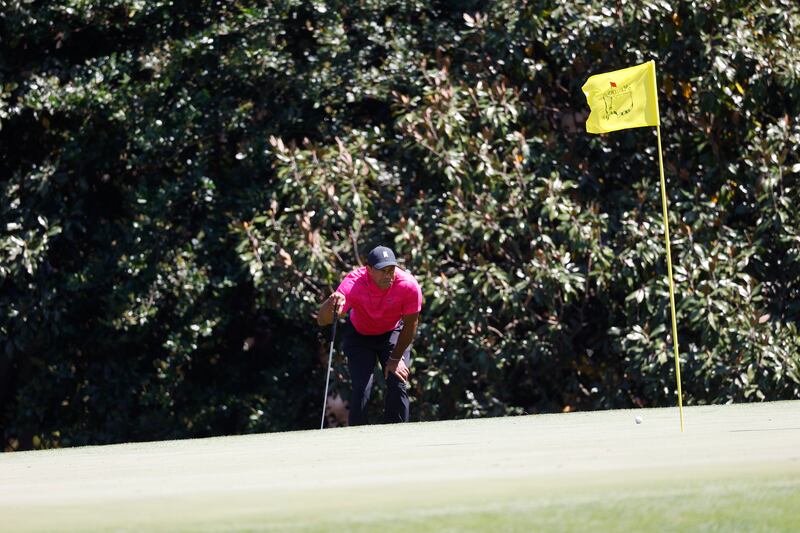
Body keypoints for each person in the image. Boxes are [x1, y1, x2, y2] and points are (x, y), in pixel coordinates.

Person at [317, 245, 422, 425]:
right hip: (360, 336)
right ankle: (358, 438)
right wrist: (331, 303)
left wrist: (396, 358)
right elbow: (323, 320)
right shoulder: (354, 283)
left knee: (398, 382)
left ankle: (398, 435)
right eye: (382, 271)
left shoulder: (408, 285)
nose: (388, 275)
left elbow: (411, 324)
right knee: (362, 387)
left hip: (392, 332)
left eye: (391, 269)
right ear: (369, 270)